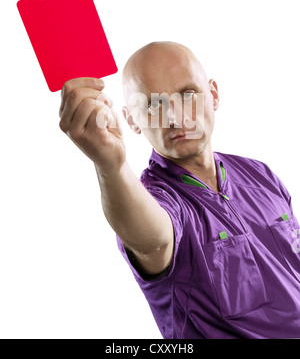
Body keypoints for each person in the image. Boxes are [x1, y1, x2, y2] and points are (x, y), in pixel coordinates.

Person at [59, 41, 300, 339]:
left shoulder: (260, 175)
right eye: (153, 104)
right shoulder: (156, 200)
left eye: (187, 94)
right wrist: (111, 167)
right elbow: (153, 240)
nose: (175, 117)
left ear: (212, 94)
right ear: (132, 119)